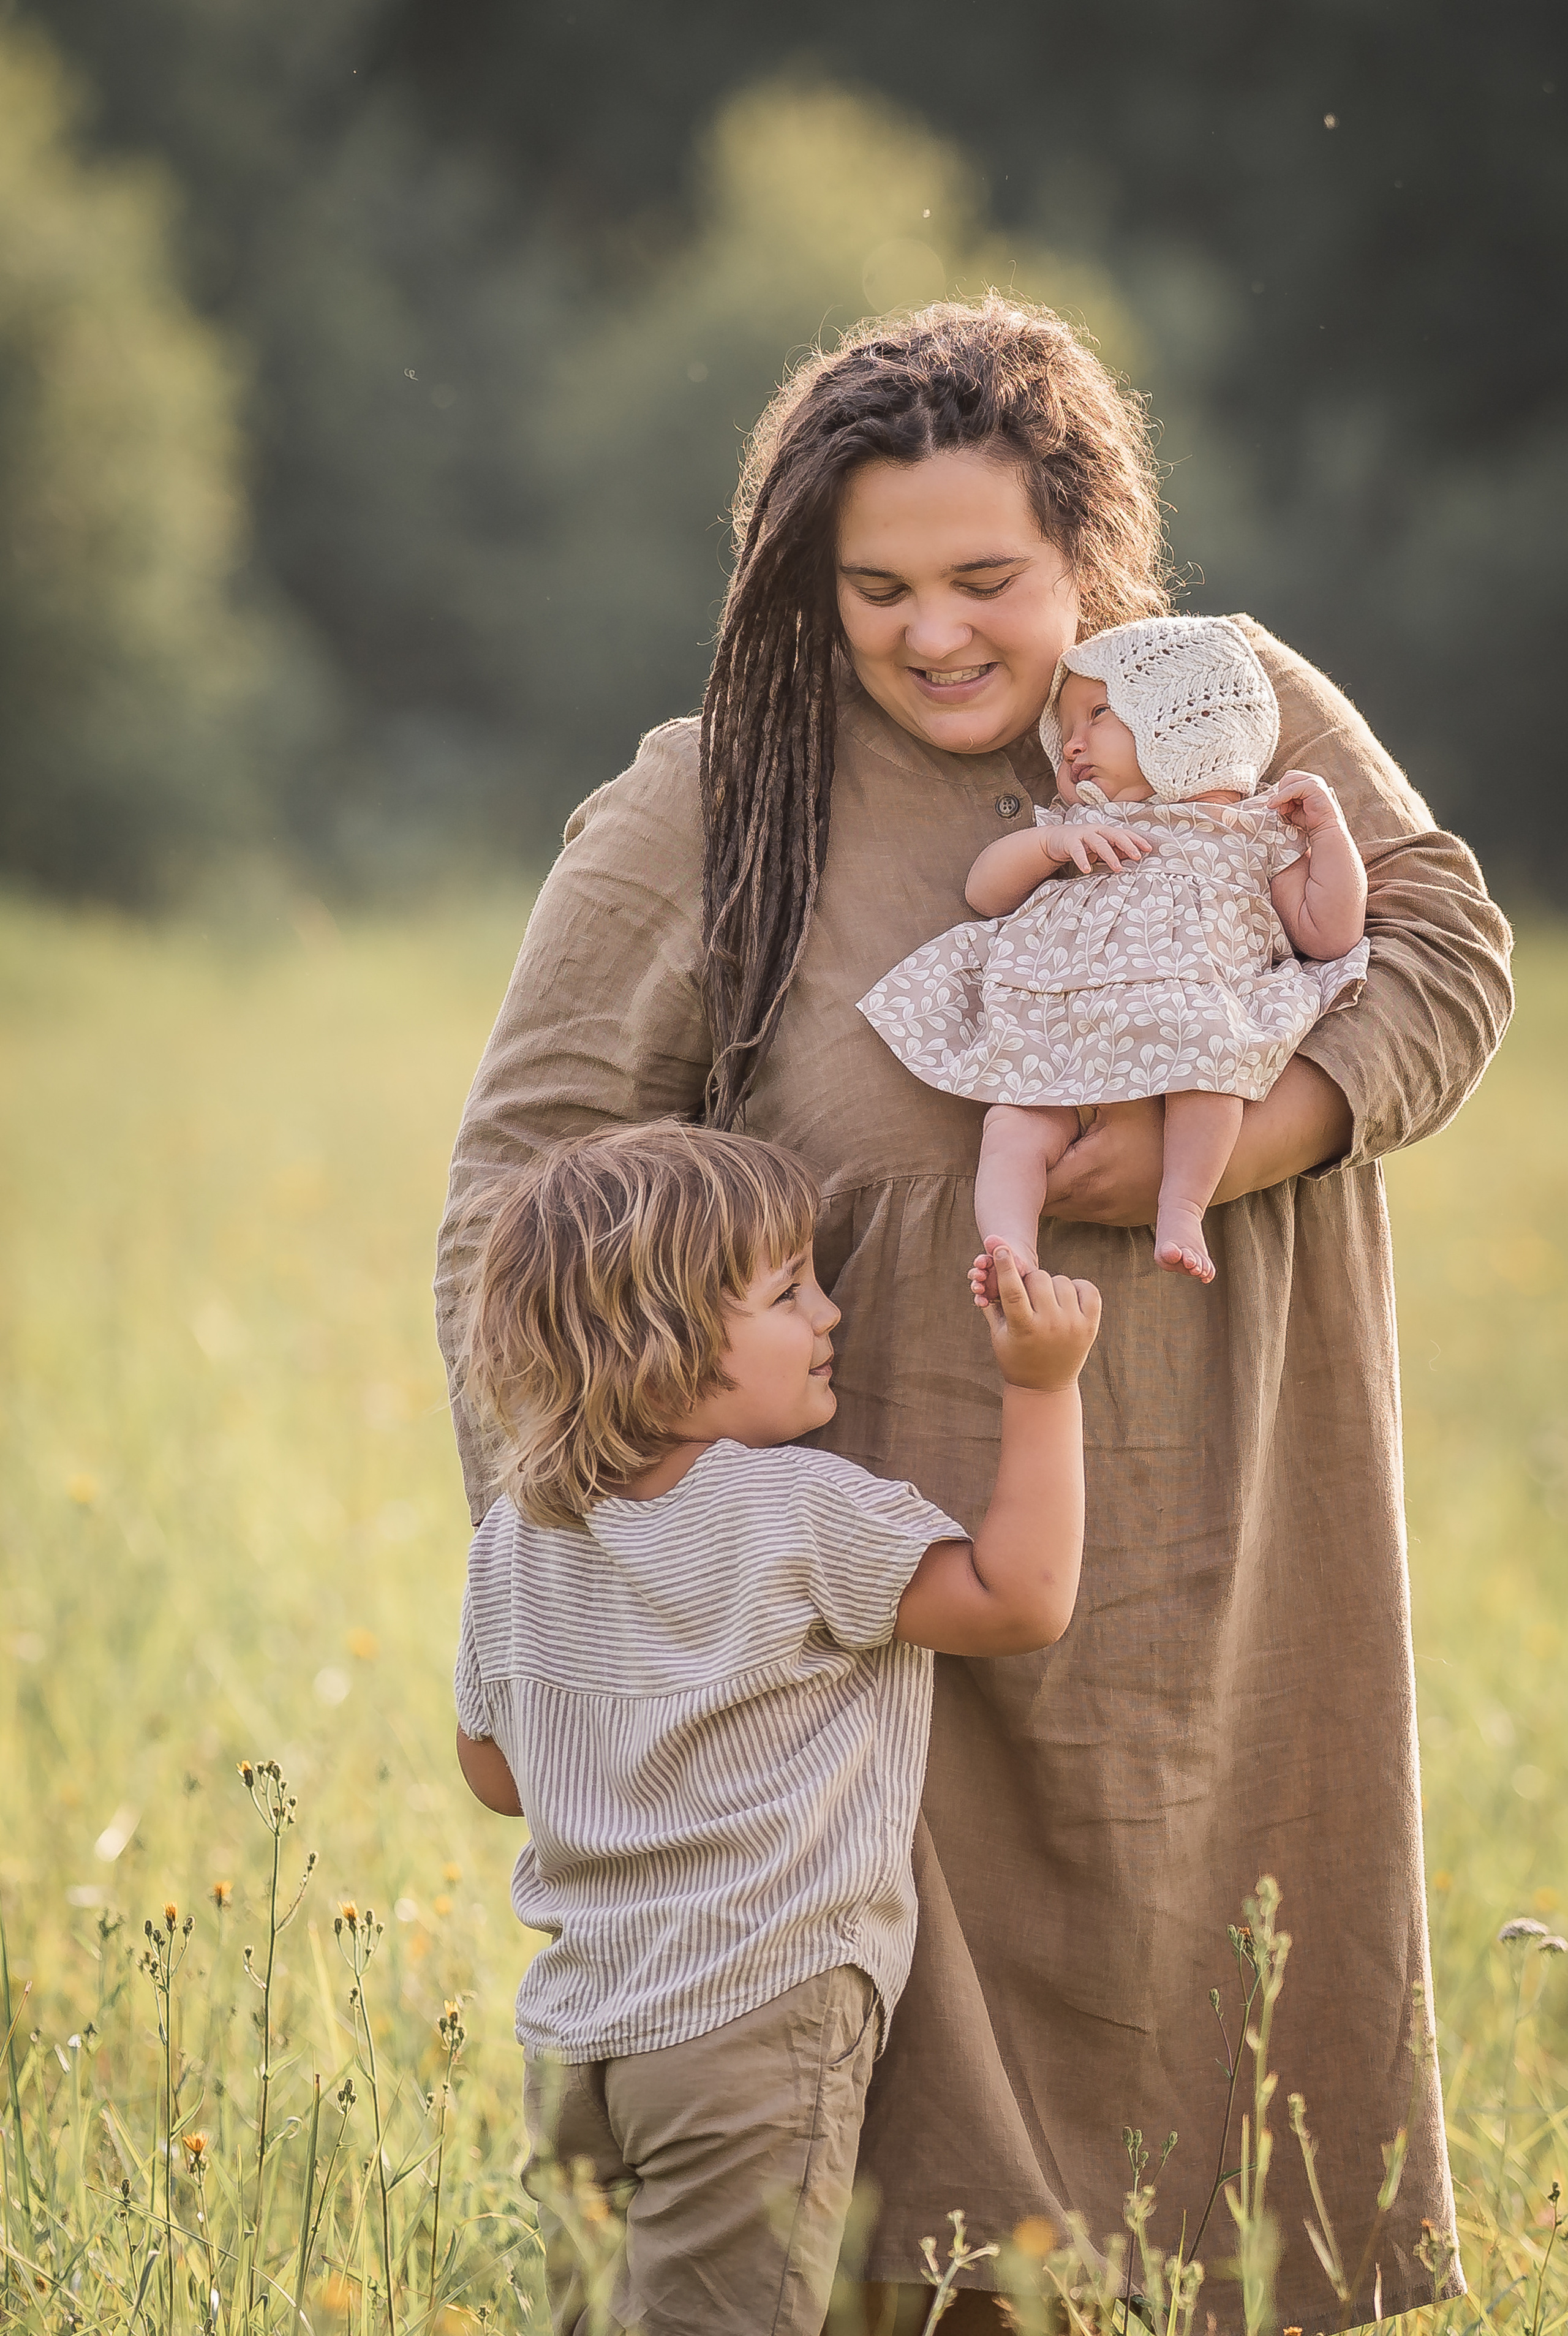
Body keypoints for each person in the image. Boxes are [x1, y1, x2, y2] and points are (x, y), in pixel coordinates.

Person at [435, 297, 1513, 2329]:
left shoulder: (1226, 707)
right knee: (906, 2223)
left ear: (1098, 555)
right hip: (867, 1606)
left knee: (1236, 2144)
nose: (935, 634)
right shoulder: (711, 802)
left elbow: (1445, 950)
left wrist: (1256, 1130)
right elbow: (520, 1179)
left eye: (989, 581)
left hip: (1233, 1565)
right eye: (878, 588)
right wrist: (587, 1547)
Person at [451, 1121, 1100, 2335]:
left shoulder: (511, 1540)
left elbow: (492, 1771)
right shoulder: (797, 1512)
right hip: (751, 2019)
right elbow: (1019, 1597)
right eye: (789, 1289)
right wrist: (1041, 1382)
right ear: (669, 1350)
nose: (832, 1312)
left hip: (577, 2037)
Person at [858, 614, 1369, 1286]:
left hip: (1189, 1016)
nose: (1071, 745)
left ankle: (1180, 1205)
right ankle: (1009, 1245)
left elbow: (1327, 933)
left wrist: (1330, 835)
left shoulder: (1255, 832)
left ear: (1180, 716)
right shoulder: (1081, 824)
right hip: (1063, 1019)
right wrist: (1048, 847)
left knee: (1212, 1074)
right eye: (1064, 728)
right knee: (1012, 1121)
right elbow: (985, 893)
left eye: (1098, 713)